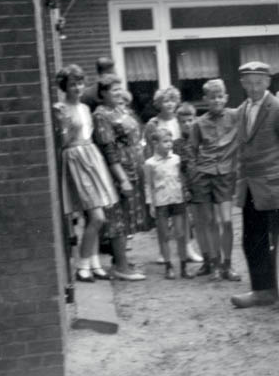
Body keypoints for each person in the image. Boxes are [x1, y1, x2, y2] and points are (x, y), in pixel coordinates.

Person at [230, 62, 279, 308]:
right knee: (252, 238)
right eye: (248, 83)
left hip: (275, 187)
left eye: (258, 82)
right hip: (249, 186)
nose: (254, 88)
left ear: (268, 82)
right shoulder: (241, 110)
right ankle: (262, 289)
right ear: (242, 84)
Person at [53, 64, 119, 282]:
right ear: (65, 86)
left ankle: (94, 265)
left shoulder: (84, 108)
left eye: (80, 83)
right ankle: (82, 267)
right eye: (73, 84)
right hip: (75, 160)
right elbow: (63, 142)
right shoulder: (61, 109)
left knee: (98, 214)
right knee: (96, 217)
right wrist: (63, 125)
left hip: (91, 159)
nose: (78, 88)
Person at [93, 74, 148, 280]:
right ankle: (121, 268)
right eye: (113, 90)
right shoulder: (101, 115)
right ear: (103, 93)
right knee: (119, 219)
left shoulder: (119, 109)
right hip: (119, 172)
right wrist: (122, 178)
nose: (118, 93)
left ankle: (121, 260)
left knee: (127, 217)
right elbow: (109, 150)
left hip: (133, 168)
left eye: (119, 89)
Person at [185, 79, 241, 282]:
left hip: (225, 174)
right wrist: (193, 176)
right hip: (203, 174)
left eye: (220, 96)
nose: (216, 100)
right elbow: (190, 151)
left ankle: (228, 264)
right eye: (212, 97)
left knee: (225, 220)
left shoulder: (236, 116)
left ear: (225, 97)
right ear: (205, 100)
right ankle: (216, 264)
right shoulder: (199, 124)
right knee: (209, 222)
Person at [144, 128, 195, 280]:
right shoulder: (150, 163)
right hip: (161, 201)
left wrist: (185, 192)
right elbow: (148, 185)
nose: (168, 144)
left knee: (180, 234)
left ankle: (184, 266)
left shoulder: (176, 159)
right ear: (155, 143)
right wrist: (150, 203)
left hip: (177, 199)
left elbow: (181, 178)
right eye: (165, 141)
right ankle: (168, 266)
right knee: (164, 235)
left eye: (170, 141)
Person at [176, 102, 209, 267]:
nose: (187, 124)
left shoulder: (202, 139)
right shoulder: (177, 144)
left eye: (190, 120)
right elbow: (178, 169)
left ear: (195, 119)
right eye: (183, 121)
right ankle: (199, 253)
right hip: (189, 188)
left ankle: (212, 257)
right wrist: (184, 188)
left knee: (208, 222)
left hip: (204, 185)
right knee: (192, 223)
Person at [143, 86, 182, 159]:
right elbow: (149, 148)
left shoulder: (180, 120)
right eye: (166, 101)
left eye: (173, 101)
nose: (170, 104)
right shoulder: (153, 124)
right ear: (159, 104)